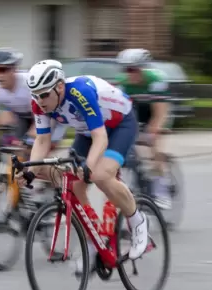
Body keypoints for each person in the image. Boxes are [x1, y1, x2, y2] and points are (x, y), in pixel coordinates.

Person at [17, 59, 148, 273]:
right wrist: (31, 171)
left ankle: (138, 221)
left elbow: (101, 137)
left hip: (119, 125)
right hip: (87, 133)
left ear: (60, 87)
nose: (39, 101)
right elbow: (42, 141)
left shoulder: (79, 93)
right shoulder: (39, 102)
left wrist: (89, 166)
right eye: (35, 95)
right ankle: (93, 240)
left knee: (101, 175)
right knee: (74, 187)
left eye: (44, 95)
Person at [0, 47, 67, 151]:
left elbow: (42, 117)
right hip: (23, 116)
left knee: (41, 152)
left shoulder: (29, 83)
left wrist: (30, 139)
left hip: (50, 115)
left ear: (14, 69)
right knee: (17, 152)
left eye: (2, 70)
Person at [115, 48, 172, 210]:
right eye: (126, 69)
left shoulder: (156, 80)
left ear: (142, 69)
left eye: (133, 69)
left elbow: (159, 113)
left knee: (155, 144)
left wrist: (154, 131)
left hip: (156, 111)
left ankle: (162, 189)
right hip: (136, 111)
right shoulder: (123, 83)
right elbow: (119, 112)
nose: (129, 73)